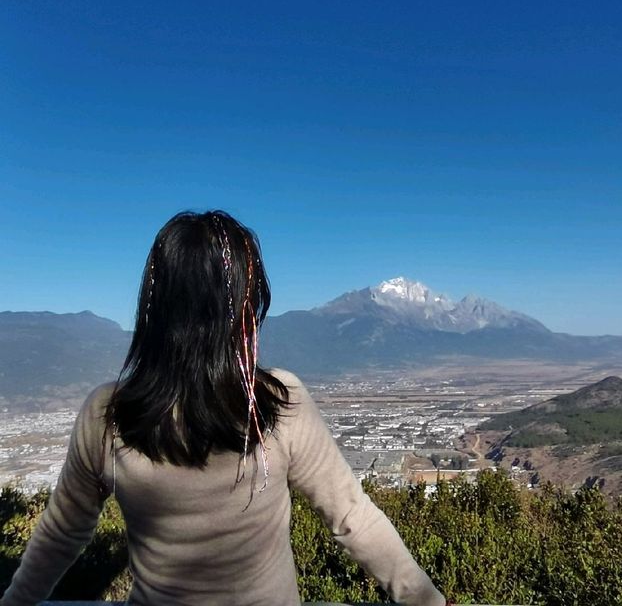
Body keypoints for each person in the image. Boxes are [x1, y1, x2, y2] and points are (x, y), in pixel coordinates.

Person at [1, 210, 447, 606]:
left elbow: (62, 534)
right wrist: (425, 598)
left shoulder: (108, 413)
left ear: (154, 307)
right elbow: (351, 516)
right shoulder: (276, 402)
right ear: (242, 309)